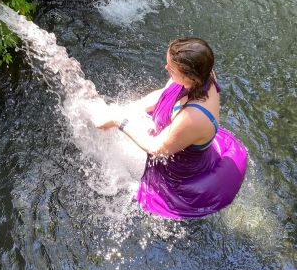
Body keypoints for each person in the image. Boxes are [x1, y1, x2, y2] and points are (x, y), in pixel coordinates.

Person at [93, 37, 247, 219]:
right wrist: (128, 108)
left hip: (181, 175)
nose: (166, 69)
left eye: (171, 68)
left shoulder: (194, 117)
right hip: (188, 134)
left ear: (188, 76)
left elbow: (157, 148)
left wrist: (120, 122)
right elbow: (165, 93)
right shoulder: (203, 74)